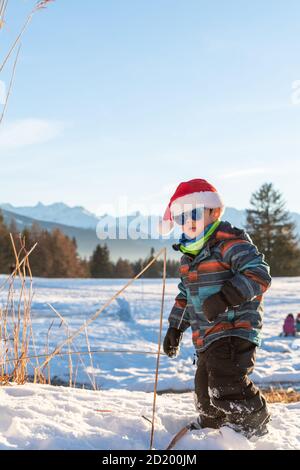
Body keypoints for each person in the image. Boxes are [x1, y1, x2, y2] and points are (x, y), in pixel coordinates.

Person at [160, 179, 272, 438]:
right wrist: (175, 327)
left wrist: (225, 296)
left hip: (235, 329)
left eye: (195, 213)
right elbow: (185, 296)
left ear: (215, 212)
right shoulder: (189, 256)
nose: (188, 221)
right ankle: (214, 430)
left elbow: (259, 274)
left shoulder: (229, 243)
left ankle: (252, 422)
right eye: (180, 216)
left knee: (225, 384)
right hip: (206, 337)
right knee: (204, 394)